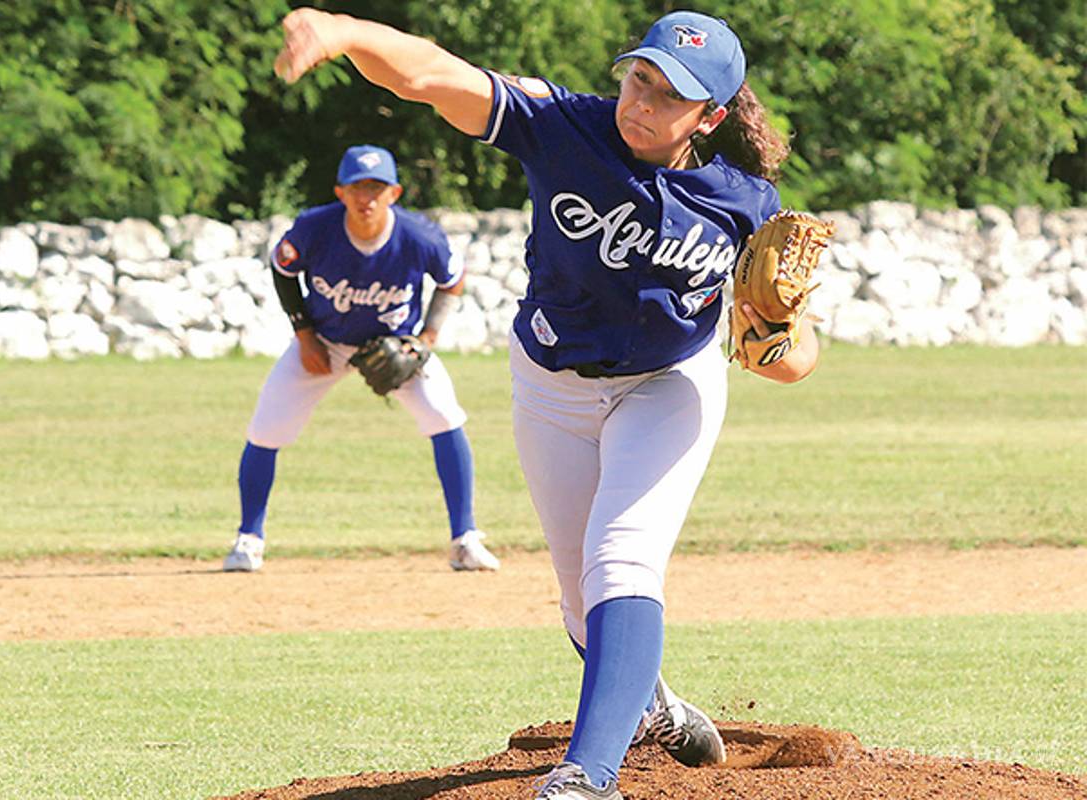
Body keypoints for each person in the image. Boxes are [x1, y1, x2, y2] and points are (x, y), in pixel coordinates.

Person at [273, 8, 817, 800]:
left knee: (622, 556)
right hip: (551, 384)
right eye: (641, 78)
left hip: (669, 384)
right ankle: (652, 708)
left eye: (672, 96)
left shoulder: (745, 203)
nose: (644, 102)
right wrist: (344, 31)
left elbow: (797, 359)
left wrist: (770, 340)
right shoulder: (561, 125)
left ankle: (589, 778)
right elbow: (432, 76)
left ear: (713, 115)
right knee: (577, 595)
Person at [222, 144, 500, 574]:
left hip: (398, 344)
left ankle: (465, 540)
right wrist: (304, 334)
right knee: (266, 427)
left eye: (376, 187)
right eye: (357, 187)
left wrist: (425, 338)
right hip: (325, 343)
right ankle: (248, 538)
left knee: (445, 416)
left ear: (394, 192)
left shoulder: (418, 236)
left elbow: (452, 280)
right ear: (340, 192)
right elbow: (283, 269)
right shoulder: (316, 228)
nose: (366, 197)